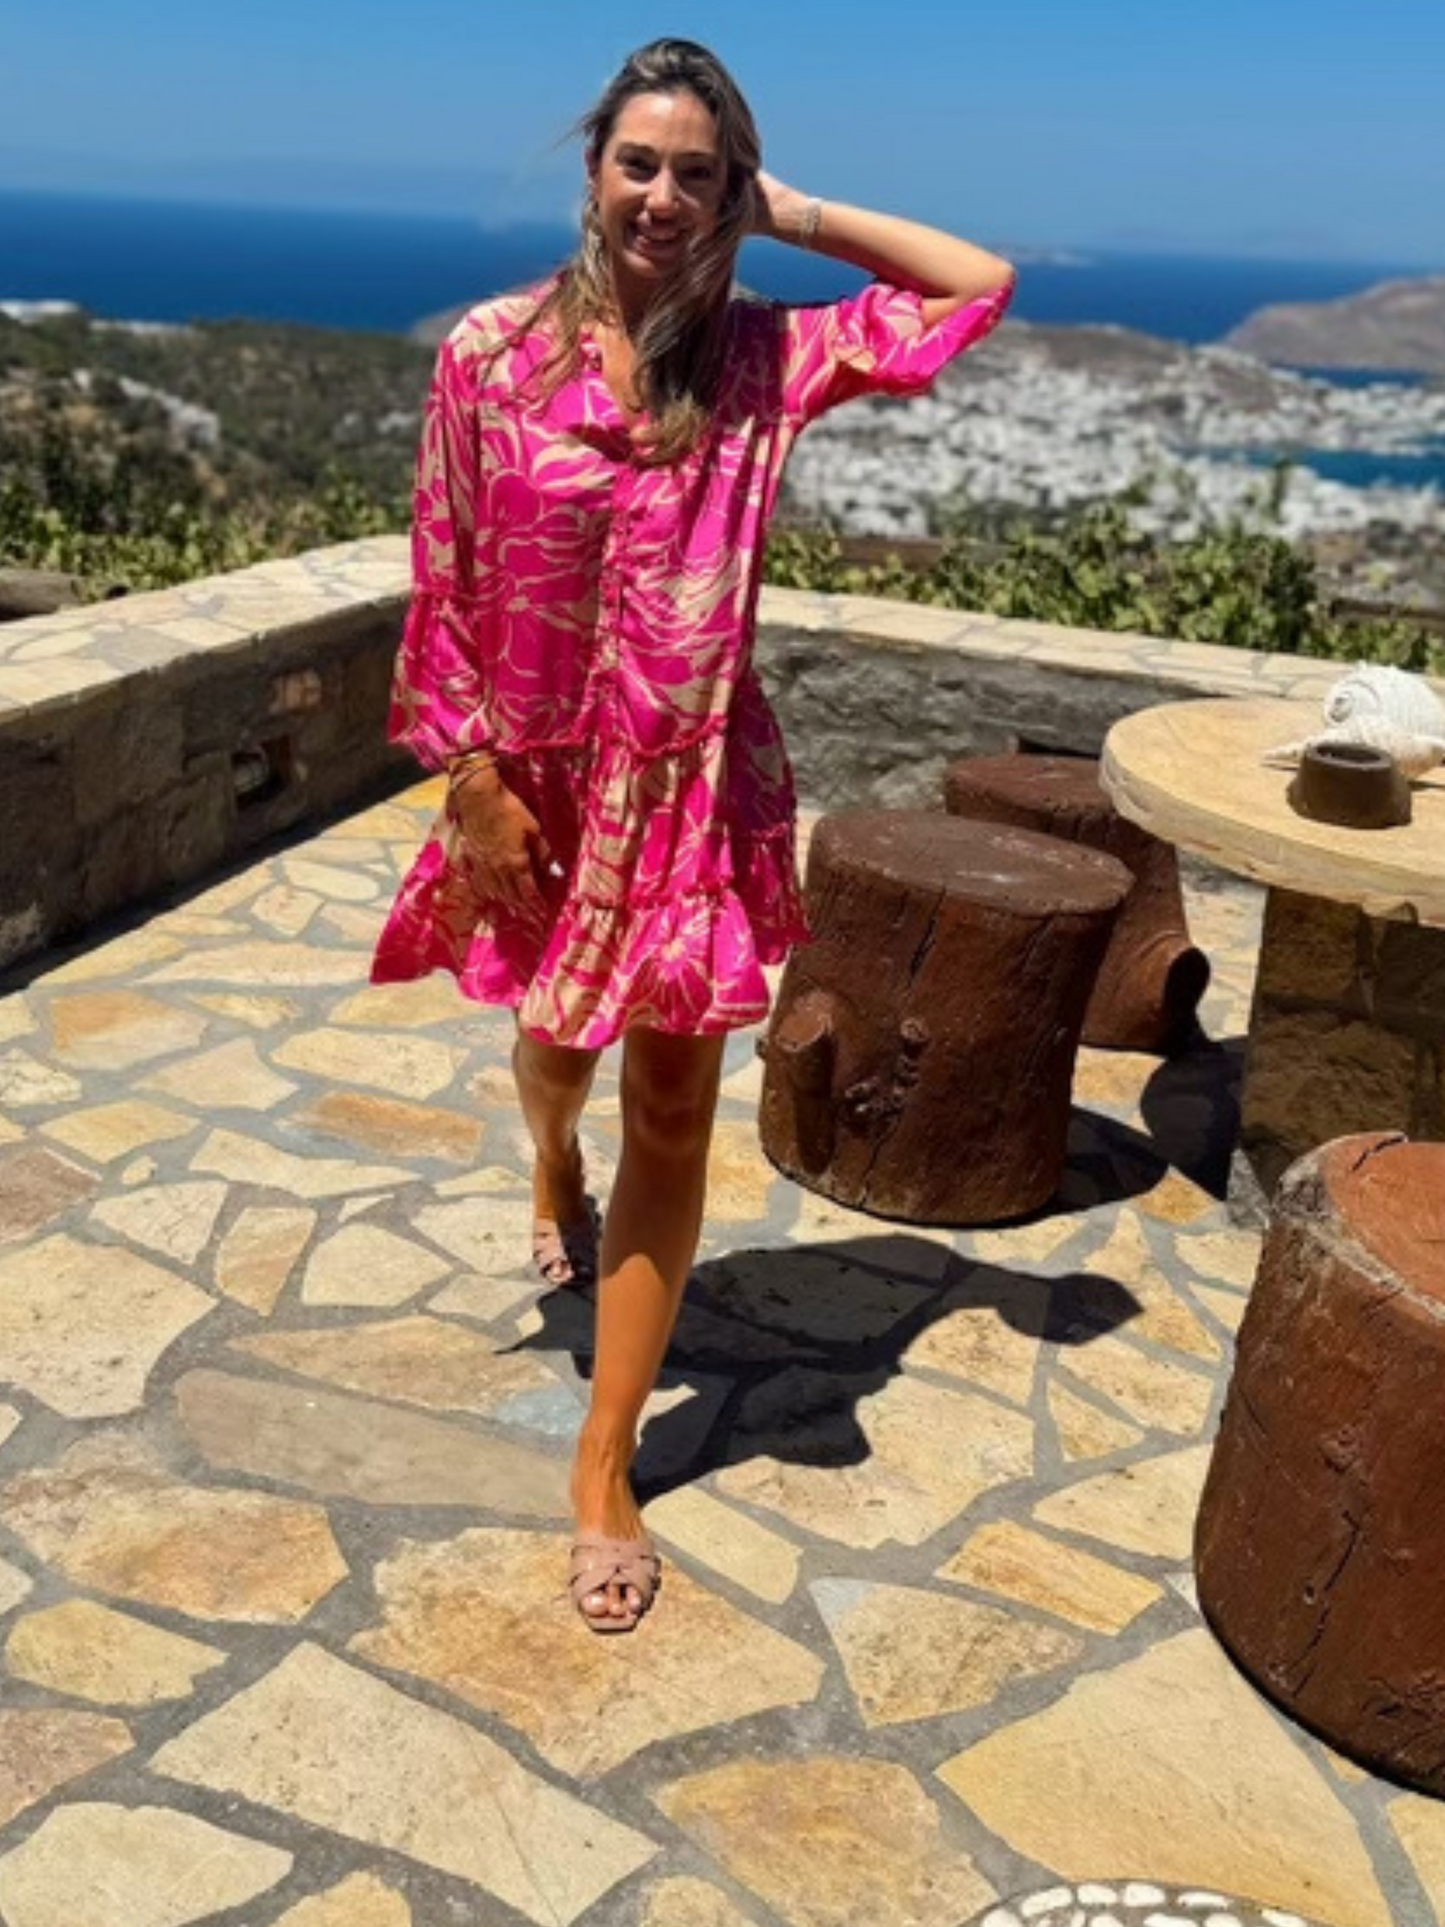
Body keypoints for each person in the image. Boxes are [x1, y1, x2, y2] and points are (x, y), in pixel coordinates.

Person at [373, 37, 1014, 1632]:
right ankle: (547, 1164)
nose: (663, 196)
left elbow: (973, 285)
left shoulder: (766, 362)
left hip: (695, 796)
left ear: (732, 191)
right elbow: (446, 574)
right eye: (639, 164)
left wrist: (790, 211)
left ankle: (605, 1460)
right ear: (593, 167)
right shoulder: (488, 358)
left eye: (698, 174)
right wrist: (468, 778)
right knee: (552, 1056)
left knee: (672, 1108)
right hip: (533, 794)